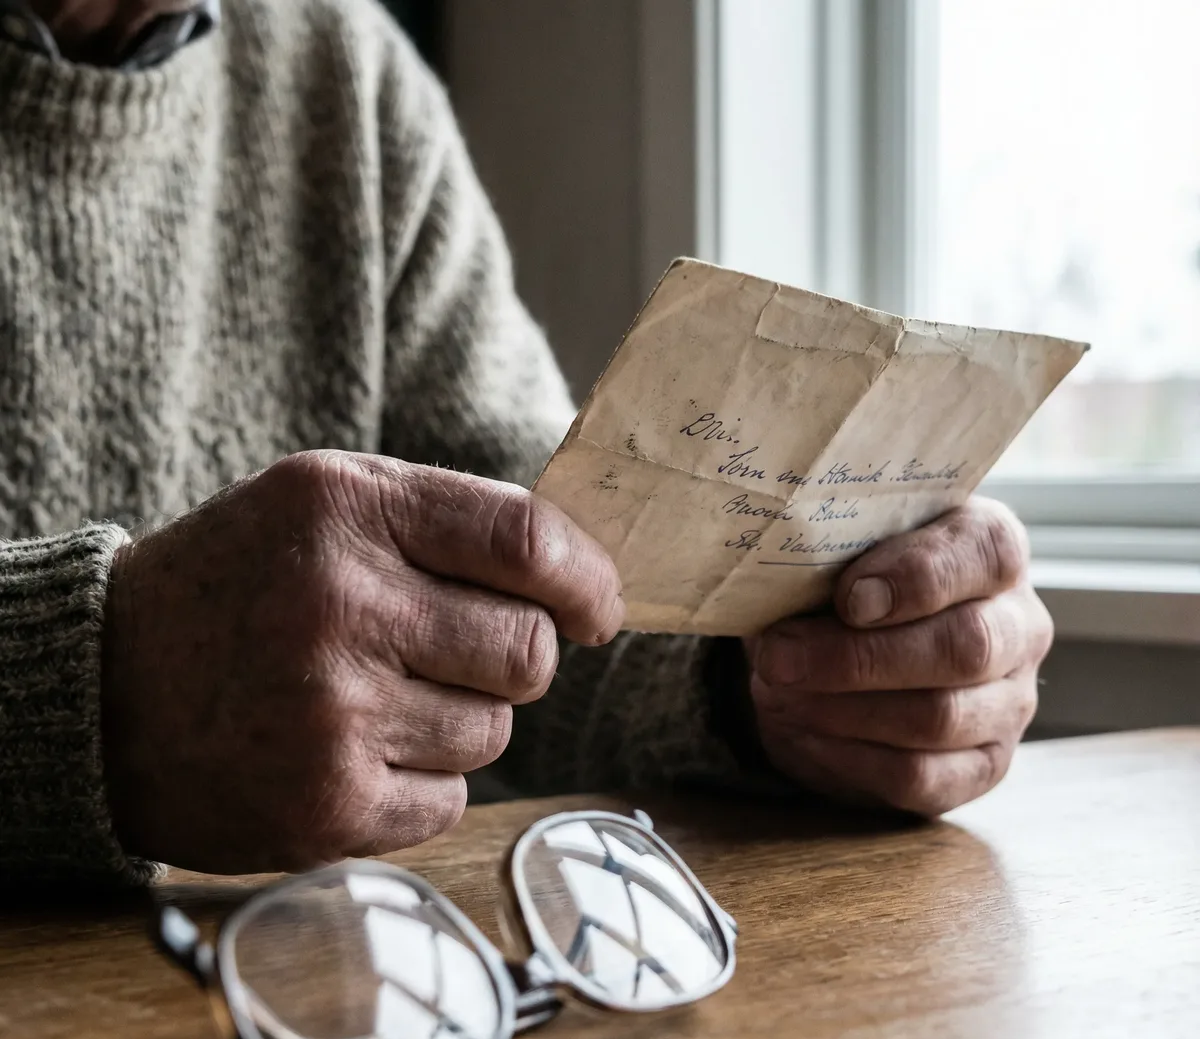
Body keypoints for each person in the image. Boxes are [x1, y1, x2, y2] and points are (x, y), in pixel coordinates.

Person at [0, 0, 1052, 888]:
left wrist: (773, 687)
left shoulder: (343, 69)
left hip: (316, 1018)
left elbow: (544, 567)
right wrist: (88, 694)